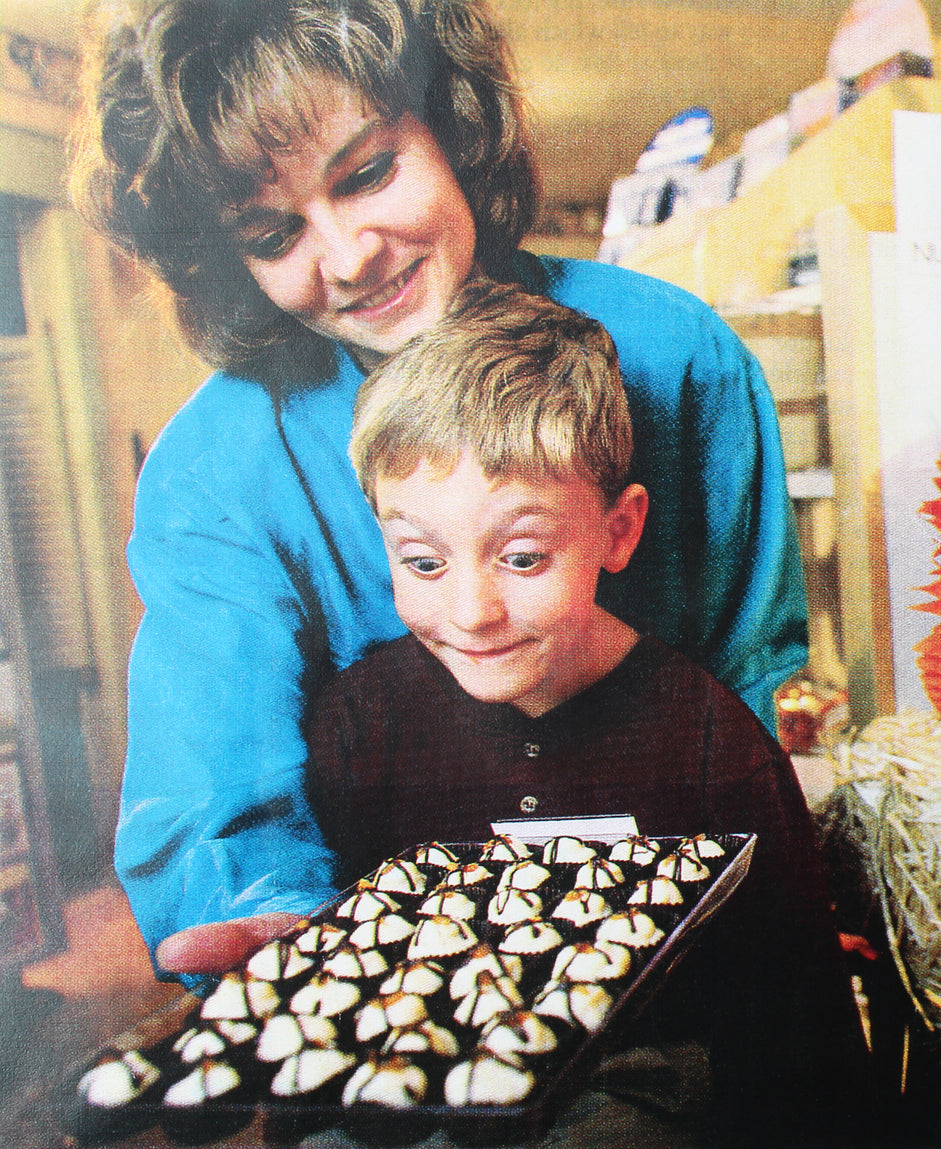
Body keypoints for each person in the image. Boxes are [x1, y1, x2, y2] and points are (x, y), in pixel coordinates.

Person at [72, 0, 807, 975]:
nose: (347, 257)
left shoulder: (678, 359)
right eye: (270, 233)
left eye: (368, 173)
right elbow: (214, 785)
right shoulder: (213, 473)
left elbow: (747, 681)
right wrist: (282, 931)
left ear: (452, 125)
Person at [305, 280, 875, 1147]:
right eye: (421, 561)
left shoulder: (708, 743)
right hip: (417, 1085)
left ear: (618, 530)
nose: (470, 610)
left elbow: (798, 1020)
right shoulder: (361, 727)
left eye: (523, 555)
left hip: (640, 1089)